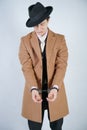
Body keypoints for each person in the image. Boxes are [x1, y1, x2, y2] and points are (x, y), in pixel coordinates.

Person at [19, 2, 69, 130]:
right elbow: (26, 67)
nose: (39, 28)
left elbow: (61, 65)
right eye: (35, 26)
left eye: (42, 24)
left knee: (57, 128)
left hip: (55, 92)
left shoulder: (60, 39)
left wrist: (55, 87)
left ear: (48, 20)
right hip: (34, 94)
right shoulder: (25, 41)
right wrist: (34, 88)